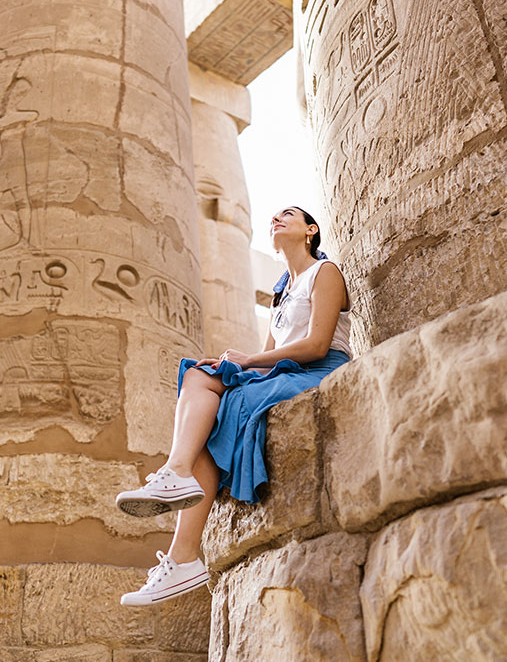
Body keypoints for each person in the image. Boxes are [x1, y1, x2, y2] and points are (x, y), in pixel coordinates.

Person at [114, 206, 353, 606]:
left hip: (319, 369)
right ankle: (177, 486)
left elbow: (316, 346)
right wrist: (232, 364)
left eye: (288, 215)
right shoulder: (282, 293)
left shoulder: (324, 273)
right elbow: (268, 357)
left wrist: (244, 362)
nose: (276, 219)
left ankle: (183, 549)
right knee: (198, 374)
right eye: (273, 216)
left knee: (232, 401)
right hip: (283, 373)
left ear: (310, 231)